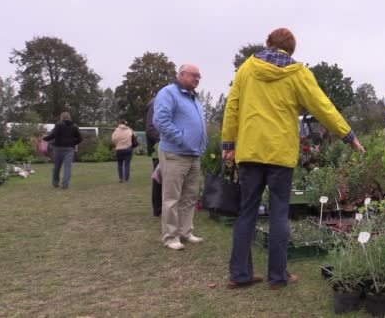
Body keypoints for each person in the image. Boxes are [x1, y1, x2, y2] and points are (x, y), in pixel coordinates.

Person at [222, 28, 365, 290]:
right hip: (280, 154)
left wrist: (228, 143)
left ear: (268, 43)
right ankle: (278, 276)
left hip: (250, 152)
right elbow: (322, 105)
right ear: (291, 50)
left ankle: (239, 274)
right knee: (278, 213)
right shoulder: (298, 72)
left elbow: (233, 106)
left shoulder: (247, 68)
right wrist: (348, 134)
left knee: (247, 212)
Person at [153, 64, 208, 250]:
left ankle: (186, 232)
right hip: (175, 153)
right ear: (182, 75)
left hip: (194, 155)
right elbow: (160, 120)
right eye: (194, 75)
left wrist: (202, 144)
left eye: (199, 76)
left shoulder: (194, 98)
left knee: (190, 197)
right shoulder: (168, 93)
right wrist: (181, 140)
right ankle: (170, 237)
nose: (197, 79)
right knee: (171, 198)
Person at [43, 112, 82, 189]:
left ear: (61, 117)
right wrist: (73, 144)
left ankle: (55, 182)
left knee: (57, 166)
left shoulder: (58, 125)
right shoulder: (74, 126)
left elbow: (53, 135)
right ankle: (65, 184)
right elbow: (80, 139)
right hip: (69, 149)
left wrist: (44, 138)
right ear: (69, 117)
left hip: (58, 148)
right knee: (68, 167)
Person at [146, 98, 162, 217]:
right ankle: (158, 208)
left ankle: (162, 207)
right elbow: (151, 128)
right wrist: (164, 139)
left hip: (161, 146)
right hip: (158, 148)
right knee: (158, 178)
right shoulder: (155, 104)